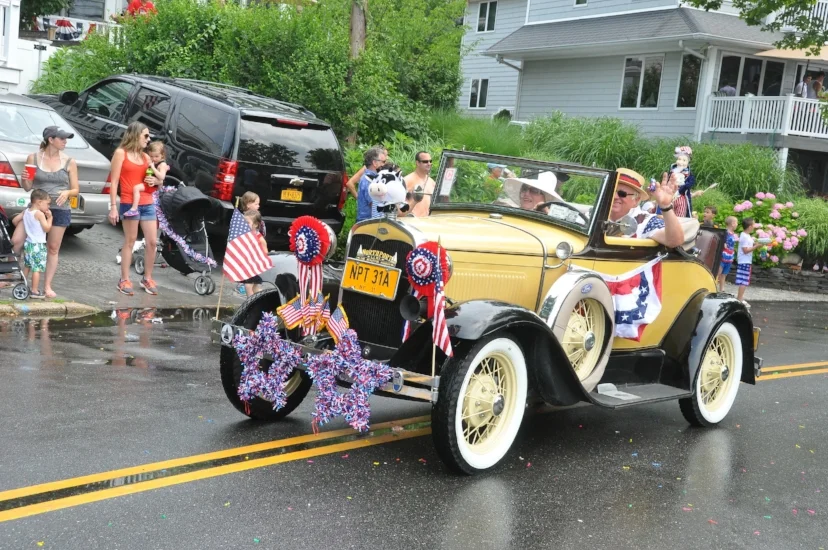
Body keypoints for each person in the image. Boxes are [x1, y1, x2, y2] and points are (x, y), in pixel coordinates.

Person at [17, 126, 80, 299]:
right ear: (51, 140)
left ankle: (47, 285)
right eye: (62, 138)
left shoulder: (69, 161)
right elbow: (27, 187)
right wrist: (25, 179)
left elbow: (75, 189)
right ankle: (13, 277)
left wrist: (67, 192)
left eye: (66, 139)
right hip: (37, 207)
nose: (65, 141)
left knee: (52, 248)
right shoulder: (34, 157)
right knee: (18, 241)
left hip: (59, 208)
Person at [108, 122, 159, 296]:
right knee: (130, 241)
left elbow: (152, 179)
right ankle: (124, 279)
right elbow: (114, 181)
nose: (149, 139)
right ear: (135, 135)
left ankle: (147, 277)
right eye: (146, 135)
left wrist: (156, 182)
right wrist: (113, 207)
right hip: (129, 202)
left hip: (147, 201)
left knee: (152, 242)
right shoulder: (121, 153)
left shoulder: (145, 157)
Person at [608, 169, 684, 247]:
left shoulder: (645, 220)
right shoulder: (596, 212)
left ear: (636, 200)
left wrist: (666, 206)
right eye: (611, 191)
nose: (615, 196)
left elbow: (675, 241)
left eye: (622, 194)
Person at [123, 141, 168, 218]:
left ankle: (134, 208)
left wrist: (153, 168)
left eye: (156, 156)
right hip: (149, 183)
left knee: (136, 188)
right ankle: (134, 208)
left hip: (152, 186)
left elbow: (162, 177)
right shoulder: (153, 162)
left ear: (162, 155)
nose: (154, 159)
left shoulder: (162, 164)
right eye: (151, 156)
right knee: (136, 188)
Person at [22, 189, 52, 299]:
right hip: (37, 245)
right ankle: (34, 291)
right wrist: (50, 218)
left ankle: (22, 284)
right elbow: (47, 228)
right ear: (39, 202)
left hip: (28, 244)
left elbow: (16, 221)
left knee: (27, 266)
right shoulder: (39, 214)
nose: (48, 207)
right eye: (47, 203)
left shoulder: (26, 212)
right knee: (36, 269)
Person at [356, 146, 387, 222]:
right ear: (375, 163)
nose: (385, 165)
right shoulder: (368, 181)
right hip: (367, 224)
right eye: (383, 162)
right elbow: (375, 206)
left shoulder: (371, 178)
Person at [241, 210, 268, 296]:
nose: (245, 224)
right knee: (255, 287)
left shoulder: (259, 238)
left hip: (255, 265)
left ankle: (250, 304)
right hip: (248, 265)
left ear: (256, 224)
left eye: (247, 222)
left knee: (249, 286)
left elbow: (265, 251)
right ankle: (259, 303)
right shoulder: (245, 235)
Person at [736, 217, 761, 306]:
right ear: (750, 226)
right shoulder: (744, 237)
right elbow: (745, 250)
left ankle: (740, 297)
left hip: (746, 261)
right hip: (744, 261)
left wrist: (756, 243)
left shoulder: (746, 236)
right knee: (744, 280)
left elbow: (749, 245)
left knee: (744, 280)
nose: (754, 226)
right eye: (753, 224)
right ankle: (739, 299)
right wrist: (756, 246)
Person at [403, 151, 436, 217]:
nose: (429, 163)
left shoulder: (432, 182)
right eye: (425, 161)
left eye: (430, 161)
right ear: (417, 163)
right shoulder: (406, 180)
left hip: (427, 222)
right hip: (412, 222)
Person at [718, 215, 737, 292]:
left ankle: (722, 289)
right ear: (732, 223)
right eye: (736, 223)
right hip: (723, 257)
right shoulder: (725, 232)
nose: (737, 224)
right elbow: (720, 241)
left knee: (724, 274)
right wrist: (723, 243)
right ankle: (714, 288)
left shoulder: (733, 233)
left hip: (729, 258)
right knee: (718, 273)